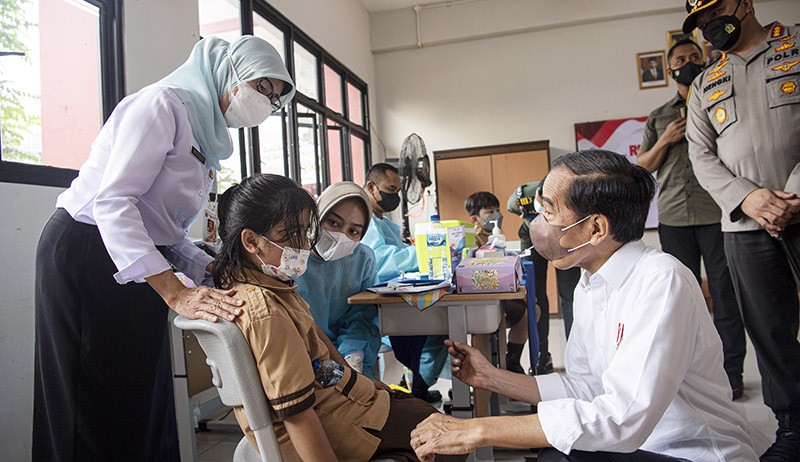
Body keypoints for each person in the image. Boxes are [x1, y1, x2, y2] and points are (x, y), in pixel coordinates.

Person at [32, 36, 294, 461]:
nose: (266, 102)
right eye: (262, 87)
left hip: (136, 259)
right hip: (86, 252)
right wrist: (177, 292)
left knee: (140, 395)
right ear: (228, 72)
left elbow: (166, 234)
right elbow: (114, 204)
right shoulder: (161, 105)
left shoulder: (206, 136)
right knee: (90, 401)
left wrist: (218, 270)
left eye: (275, 98)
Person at [410, 150, 758, 462]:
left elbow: (621, 420)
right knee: (556, 447)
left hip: (687, 450)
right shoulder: (591, 282)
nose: (537, 225)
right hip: (635, 447)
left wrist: (477, 430)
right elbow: (584, 387)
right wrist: (491, 377)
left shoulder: (661, 282)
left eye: (548, 211)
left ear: (595, 228)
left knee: (557, 451)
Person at [212, 173, 466, 462]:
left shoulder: (278, 285)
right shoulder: (266, 310)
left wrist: (362, 381)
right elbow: (297, 412)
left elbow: (327, 337)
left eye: (305, 231)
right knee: (450, 439)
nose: (303, 245)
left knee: (426, 416)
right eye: (292, 233)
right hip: (333, 414)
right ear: (251, 240)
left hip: (338, 394)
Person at [683, 0, 800, 458]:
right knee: (768, 332)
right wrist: (747, 198)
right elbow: (700, 154)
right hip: (745, 228)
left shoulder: (795, 44)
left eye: (716, 10)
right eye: (701, 21)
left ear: (745, 3)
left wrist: (793, 192)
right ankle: (792, 428)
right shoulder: (705, 83)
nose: (711, 24)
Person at [637, 38, 746, 400]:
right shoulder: (658, 117)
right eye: (681, 59)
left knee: (724, 294)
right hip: (673, 217)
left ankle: (732, 375)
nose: (688, 62)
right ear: (670, 71)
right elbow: (643, 167)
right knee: (680, 298)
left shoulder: (719, 102)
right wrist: (666, 137)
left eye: (694, 57)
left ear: (706, 59)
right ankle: (688, 377)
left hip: (717, 213)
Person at [361, 162, 446, 402]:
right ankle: (415, 385)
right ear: (371, 186)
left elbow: (403, 260)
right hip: (378, 303)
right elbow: (382, 262)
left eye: (398, 191)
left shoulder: (385, 224)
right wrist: (425, 251)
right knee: (433, 326)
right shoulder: (365, 222)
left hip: (398, 297)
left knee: (440, 329)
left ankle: (416, 384)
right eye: (390, 189)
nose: (394, 196)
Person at [295, 181, 381, 379]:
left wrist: (352, 353)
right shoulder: (293, 257)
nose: (341, 236)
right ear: (317, 217)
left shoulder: (362, 259)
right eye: (333, 223)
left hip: (347, 352)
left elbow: (362, 318)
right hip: (302, 356)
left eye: (353, 231)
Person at [508, 182, 581, 374]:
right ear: (539, 195)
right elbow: (510, 207)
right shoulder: (524, 193)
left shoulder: (571, 194)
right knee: (536, 297)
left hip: (564, 238)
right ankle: (542, 356)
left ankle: (577, 356)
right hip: (532, 236)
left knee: (570, 297)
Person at [465, 191, 529, 374]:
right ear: (475, 219)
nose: (496, 215)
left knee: (534, 310)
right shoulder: (472, 240)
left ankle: (512, 359)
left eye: (497, 210)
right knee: (523, 313)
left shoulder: (496, 237)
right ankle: (508, 362)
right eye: (489, 211)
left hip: (498, 292)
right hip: (480, 297)